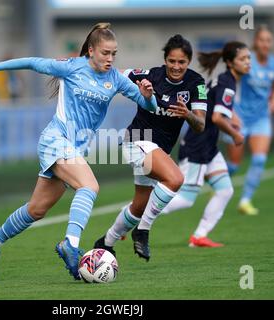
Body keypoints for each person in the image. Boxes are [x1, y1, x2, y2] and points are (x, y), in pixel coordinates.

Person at [0, 23, 157, 280]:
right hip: (56, 139)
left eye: (114, 54)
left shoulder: (116, 79)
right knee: (89, 187)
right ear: (91, 50)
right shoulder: (71, 67)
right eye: (105, 53)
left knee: (36, 210)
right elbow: (33, 62)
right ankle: (71, 245)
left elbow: (148, 105)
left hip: (74, 148)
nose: (110, 59)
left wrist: (148, 95)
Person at [93, 35, 207, 261]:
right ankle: (143, 231)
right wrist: (82, 67)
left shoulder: (197, 84)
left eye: (181, 62)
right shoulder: (149, 75)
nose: (176, 66)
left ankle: (106, 242)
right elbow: (114, 74)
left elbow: (200, 125)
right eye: (172, 61)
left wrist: (188, 114)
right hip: (136, 139)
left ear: (188, 61)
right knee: (175, 179)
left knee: (138, 206)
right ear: (165, 60)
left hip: (157, 150)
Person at [131, 41, 250, 253]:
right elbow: (217, 117)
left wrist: (234, 119)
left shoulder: (219, 81)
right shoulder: (227, 83)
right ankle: (132, 216)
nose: (248, 63)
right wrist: (236, 134)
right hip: (199, 145)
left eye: (248, 58)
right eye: (243, 59)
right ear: (231, 63)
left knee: (225, 190)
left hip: (210, 146)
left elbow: (214, 111)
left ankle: (199, 236)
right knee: (185, 199)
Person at [226, 26, 274, 216]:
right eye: (262, 40)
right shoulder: (246, 62)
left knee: (259, 159)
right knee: (234, 165)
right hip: (240, 117)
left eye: (269, 40)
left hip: (261, 119)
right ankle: (218, 185)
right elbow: (229, 84)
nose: (265, 44)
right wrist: (231, 111)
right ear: (255, 43)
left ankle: (245, 200)